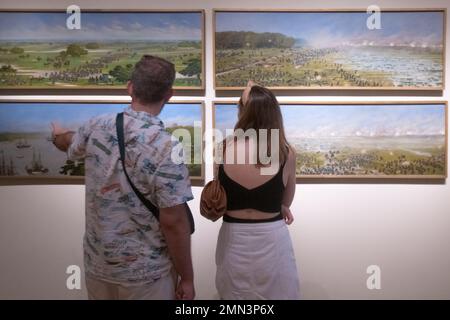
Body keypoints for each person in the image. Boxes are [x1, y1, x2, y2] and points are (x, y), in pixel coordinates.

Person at [51, 55, 195, 300]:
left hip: (99, 267)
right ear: (169, 94)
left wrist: (58, 135)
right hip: (146, 275)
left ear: (130, 87)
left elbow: (70, 144)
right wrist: (188, 278)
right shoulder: (167, 147)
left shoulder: (96, 125)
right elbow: (174, 223)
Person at [214, 82, 300, 299]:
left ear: (243, 113)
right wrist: (280, 205)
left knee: (235, 297)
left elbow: (219, 193)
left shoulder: (222, 148)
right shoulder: (285, 152)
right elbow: (286, 201)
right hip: (272, 236)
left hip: (234, 237)